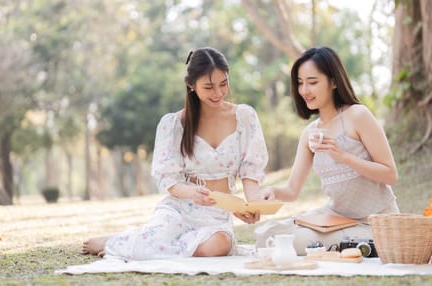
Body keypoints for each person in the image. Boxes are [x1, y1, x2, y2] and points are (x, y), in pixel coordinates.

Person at [81, 47, 268, 261]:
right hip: (180, 208)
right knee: (165, 231)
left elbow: (251, 171)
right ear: (191, 85)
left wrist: (252, 205)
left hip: (216, 215)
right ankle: (123, 242)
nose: (218, 93)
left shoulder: (244, 117)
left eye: (223, 84)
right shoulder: (174, 124)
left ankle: (138, 245)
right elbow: (169, 180)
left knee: (218, 246)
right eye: (208, 87)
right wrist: (191, 192)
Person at [254, 46, 399, 255]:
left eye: (312, 82)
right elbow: (292, 191)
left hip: (374, 219)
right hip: (335, 219)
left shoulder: (357, 115)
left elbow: (390, 174)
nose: (304, 90)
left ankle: (370, 243)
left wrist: (345, 157)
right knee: (266, 234)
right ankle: (353, 245)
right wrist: (273, 192)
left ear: (332, 81)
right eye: (300, 83)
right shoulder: (310, 133)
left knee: (295, 242)